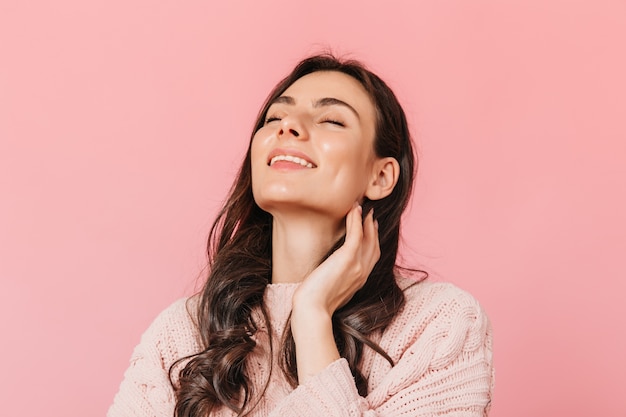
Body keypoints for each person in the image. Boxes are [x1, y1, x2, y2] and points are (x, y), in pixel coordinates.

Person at [108, 54, 494, 417]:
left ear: (380, 177)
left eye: (331, 120)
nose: (286, 127)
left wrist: (312, 315)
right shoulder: (183, 332)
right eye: (276, 116)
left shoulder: (439, 325)